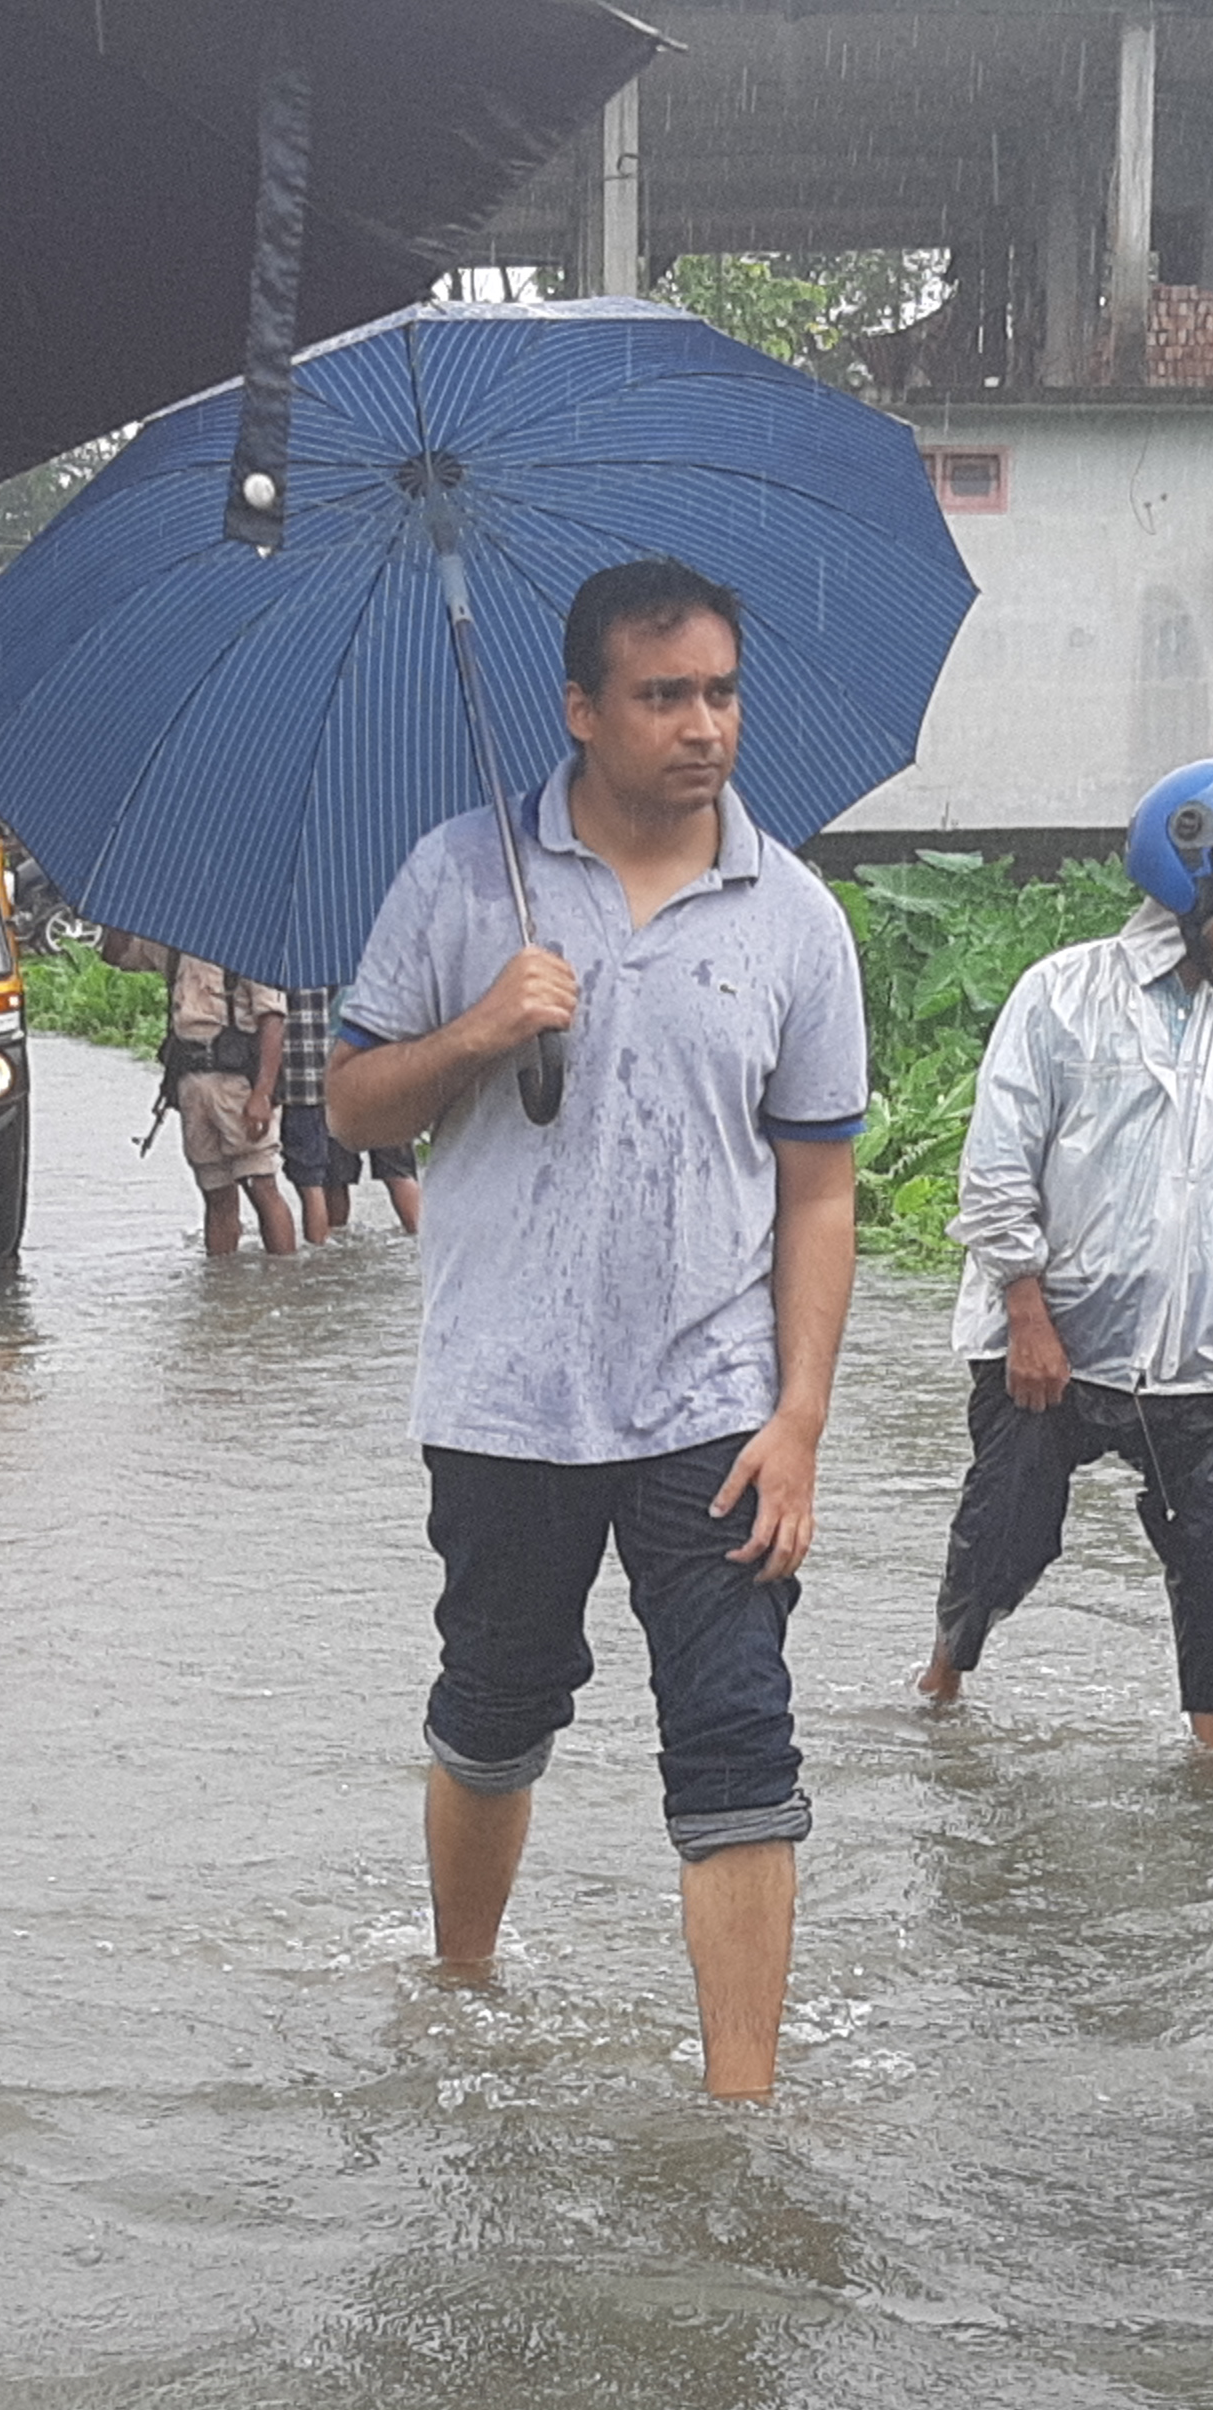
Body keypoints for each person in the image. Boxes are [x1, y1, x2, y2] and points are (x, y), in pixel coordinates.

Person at [323, 556, 865, 2101]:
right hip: (505, 1393)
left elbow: (819, 1192)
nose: (703, 727)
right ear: (580, 708)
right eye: (662, 695)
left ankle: (741, 2111)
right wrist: (484, 1028)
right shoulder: (460, 879)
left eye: (720, 693)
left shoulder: (794, 919)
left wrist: (802, 1418)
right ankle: (464, 1982)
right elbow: (354, 1101)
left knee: (741, 1738)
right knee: (497, 1710)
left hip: (714, 1401)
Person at [917, 757, 1213, 1754]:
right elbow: (997, 1163)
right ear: (1191, 866)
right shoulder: (1065, 995)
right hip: (1053, 1343)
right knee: (1005, 1542)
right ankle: (940, 1683)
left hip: (1197, 1356)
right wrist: (1025, 1313)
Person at [164, 947, 299, 1257]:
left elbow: (272, 1021)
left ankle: (284, 1279)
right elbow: (117, 956)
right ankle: (221, 1284)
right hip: (192, 1082)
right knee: (214, 1190)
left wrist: (262, 1094)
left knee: (261, 1183)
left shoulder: (251, 949)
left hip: (237, 1085)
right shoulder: (176, 948)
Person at [277, 976, 422, 1235]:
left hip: (337, 1081)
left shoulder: (316, 971)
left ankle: (333, 1254)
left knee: (336, 1180)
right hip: (383, 1074)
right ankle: (423, 1242)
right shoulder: (379, 968)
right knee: (397, 1172)